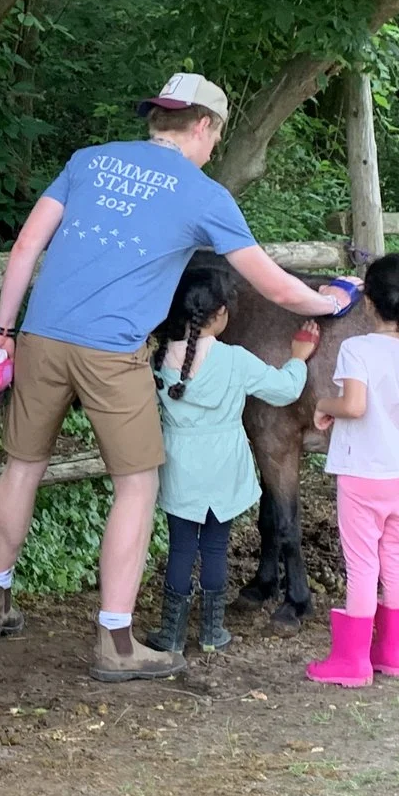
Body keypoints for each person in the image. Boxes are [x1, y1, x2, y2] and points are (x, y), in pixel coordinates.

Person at [0, 73, 352, 680]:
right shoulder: (202, 195)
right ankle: (116, 643)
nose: (211, 149)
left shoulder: (87, 161)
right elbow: (272, 284)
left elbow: (24, 249)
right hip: (113, 351)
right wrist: (330, 301)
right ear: (202, 126)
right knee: (137, 485)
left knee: (22, 467)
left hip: (42, 337)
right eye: (215, 136)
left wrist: (3, 331)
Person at [140, 258, 317, 657]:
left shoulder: (158, 360)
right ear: (220, 315)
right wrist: (299, 357)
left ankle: (171, 633)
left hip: (180, 469)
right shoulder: (235, 359)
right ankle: (211, 630)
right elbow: (285, 390)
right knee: (216, 549)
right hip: (223, 470)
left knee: (181, 549)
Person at [305, 253, 399, 688]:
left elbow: (354, 405)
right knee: (395, 561)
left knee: (363, 565)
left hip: (361, 475)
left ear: (368, 301)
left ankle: (351, 662)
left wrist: (323, 406)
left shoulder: (357, 349)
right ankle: (392, 652)